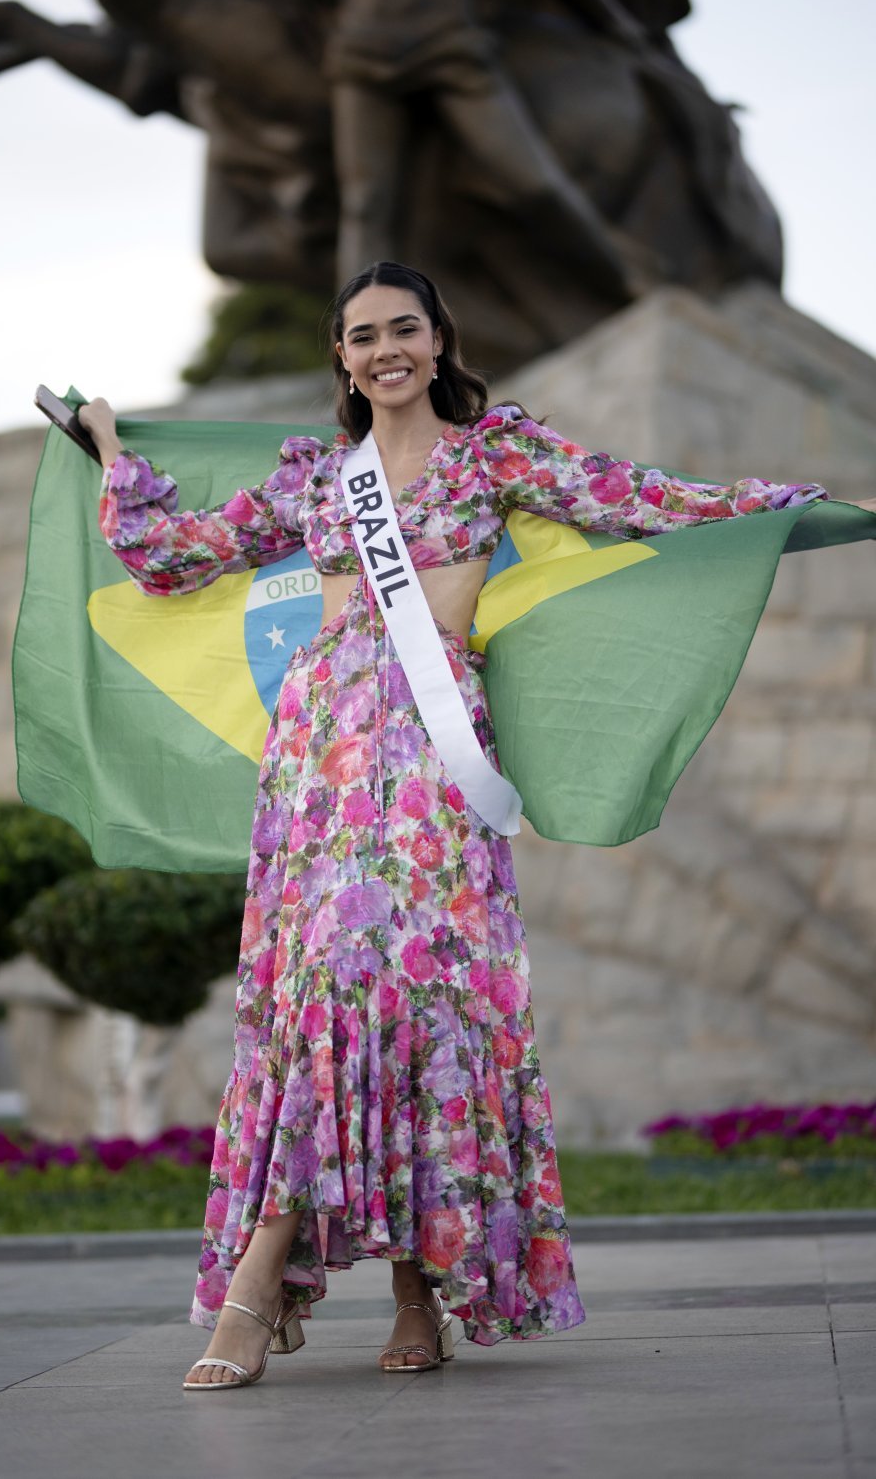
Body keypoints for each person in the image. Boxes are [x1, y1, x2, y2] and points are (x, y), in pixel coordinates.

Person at [79, 261, 870, 1391]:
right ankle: (260, 1280)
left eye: (405, 327)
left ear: (440, 338)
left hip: (434, 747)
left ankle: (417, 1287)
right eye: (362, 335)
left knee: (424, 997)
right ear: (341, 357)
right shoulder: (317, 476)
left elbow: (634, 496)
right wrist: (113, 453)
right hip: (321, 750)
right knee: (324, 991)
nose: (385, 348)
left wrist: (780, 506)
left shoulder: (500, 452)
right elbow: (174, 554)